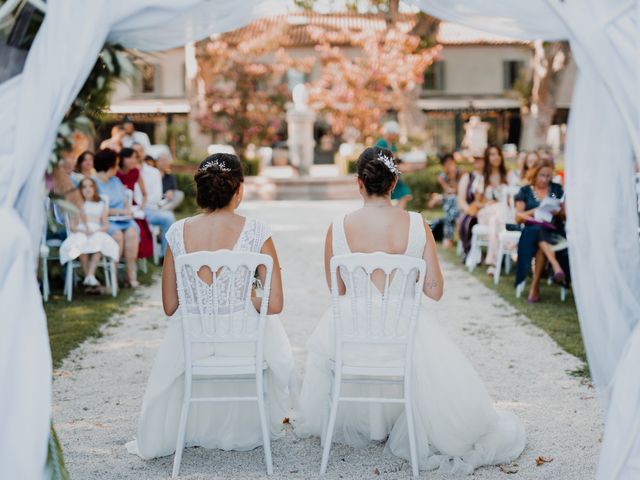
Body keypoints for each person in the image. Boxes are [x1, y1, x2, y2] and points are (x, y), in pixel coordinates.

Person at [295, 146, 525, 474]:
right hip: (401, 336)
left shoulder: (337, 226)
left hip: (351, 338)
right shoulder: (417, 225)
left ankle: (370, 424)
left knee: (331, 338)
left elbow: (338, 290)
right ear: (393, 183)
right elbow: (435, 291)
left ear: (359, 183)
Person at [126, 153, 294, 459]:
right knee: (269, 327)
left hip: (193, 345)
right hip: (243, 346)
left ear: (201, 190)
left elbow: (169, 305)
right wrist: (250, 295)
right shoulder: (257, 233)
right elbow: (275, 304)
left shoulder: (176, 232)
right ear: (239, 190)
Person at [514, 158, 569, 303]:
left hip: (553, 231)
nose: (545, 180)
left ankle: (535, 287)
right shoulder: (525, 191)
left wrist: (557, 212)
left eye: (548, 176)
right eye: (542, 175)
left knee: (541, 240)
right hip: (531, 232)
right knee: (538, 230)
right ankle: (555, 266)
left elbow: (564, 215)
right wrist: (535, 211)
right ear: (535, 173)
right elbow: (518, 217)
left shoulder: (555, 190)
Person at [59, 177, 119, 291]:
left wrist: (97, 230)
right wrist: (82, 231)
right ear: (80, 189)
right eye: (84, 187)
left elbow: (106, 225)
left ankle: (89, 276)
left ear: (94, 188)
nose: (87, 189)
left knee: (99, 241)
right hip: (81, 230)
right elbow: (72, 226)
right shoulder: (78, 204)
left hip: (96, 230)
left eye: (90, 186)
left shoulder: (101, 203)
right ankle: (90, 277)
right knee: (80, 242)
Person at [94, 149, 140, 287]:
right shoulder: (94, 183)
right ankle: (112, 277)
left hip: (123, 219)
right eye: (116, 164)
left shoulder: (115, 180)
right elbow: (97, 208)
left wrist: (126, 210)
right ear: (110, 165)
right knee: (117, 235)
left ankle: (130, 275)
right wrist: (119, 212)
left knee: (132, 233)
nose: (118, 167)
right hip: (104, 221)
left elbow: (125, 200)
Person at [469, 146, 511, 273]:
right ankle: (512, 246)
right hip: (485, 213)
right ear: (488, 158)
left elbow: (512, 202)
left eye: (498, 154)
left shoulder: (508, 176)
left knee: (495, 220)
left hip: (501, 216)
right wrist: (489, 203)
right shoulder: (482, 178)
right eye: (492, 154)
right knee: (497, 209)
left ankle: (493, 264)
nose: (496, 157)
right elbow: (477, 202)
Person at [132, 143, 175, 257]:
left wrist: (140, 204)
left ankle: (165, 256)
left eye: (140, 151)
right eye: (134, 151)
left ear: (144, 153)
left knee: (168, 217)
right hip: (131, 211)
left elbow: (156, 197)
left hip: (149, 210)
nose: (137, 154)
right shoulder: (126, 172)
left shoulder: (153, 172)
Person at [116, 148, 154, 261]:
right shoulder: (115, 172)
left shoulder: (135, 172)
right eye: (130, 157)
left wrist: (141, 207)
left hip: (132, 205)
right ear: (122, 159)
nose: (133, 160)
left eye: (134, 157)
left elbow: (145, 193)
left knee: (141, 227)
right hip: (118, 206)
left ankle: (135, 256)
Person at [375, 121, 412, 209]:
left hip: (393, 175)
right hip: (384, 175)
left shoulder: (392, 144)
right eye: (395, 134)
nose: (396, 136)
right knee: (387, 198)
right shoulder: (381, 143)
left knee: (405, 194)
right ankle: (393, 215)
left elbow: (394, 157)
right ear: (390, 133)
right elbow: (381, 158)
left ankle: (396, 214)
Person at [457, 155, 486, 258]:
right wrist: (469, 210)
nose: (477, 161)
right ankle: (469, 252)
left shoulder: (488, 178)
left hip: (485, 210)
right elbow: (461, 200)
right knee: (467, 220)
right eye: (476, 159)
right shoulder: (467, 177)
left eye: (480, 158)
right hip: (470, 210)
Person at [436, 153, 460, 249]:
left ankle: (448, 238)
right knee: (451, 200)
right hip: (452, 201)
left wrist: (453, 175)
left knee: (451, 200)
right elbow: (448, 190)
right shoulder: (441, 176)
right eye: (446, 163)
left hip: (460, 200)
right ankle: (448, 237)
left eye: (450, 162)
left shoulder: (461, 173)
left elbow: (458, 190)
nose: (449, 164)